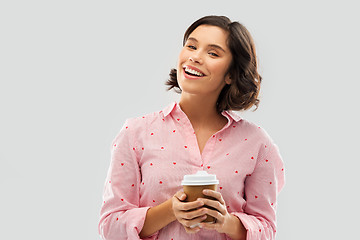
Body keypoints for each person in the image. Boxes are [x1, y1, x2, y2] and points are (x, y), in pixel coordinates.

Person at [98, 15, 285, 240]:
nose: (195, 57)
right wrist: (170, 210)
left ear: (231, 75)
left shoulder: (256, 143)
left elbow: (266, 228)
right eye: (192, 46)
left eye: (213, 53)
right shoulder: (135, 133)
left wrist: (227, 223)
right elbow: (110, 226)